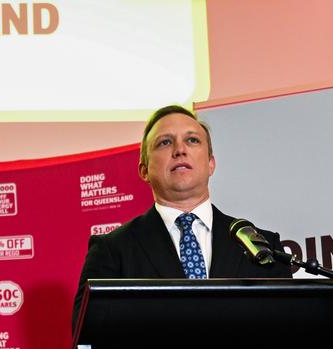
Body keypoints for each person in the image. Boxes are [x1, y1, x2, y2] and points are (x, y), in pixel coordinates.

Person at [73, 104, 291, 322]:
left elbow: (289, 333)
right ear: (144, 170)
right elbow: (90, 343)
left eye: (192, 140)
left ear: (211, 164)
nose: (180, 150)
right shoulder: (112, 251)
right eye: (165, 142)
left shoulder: (263, 247)